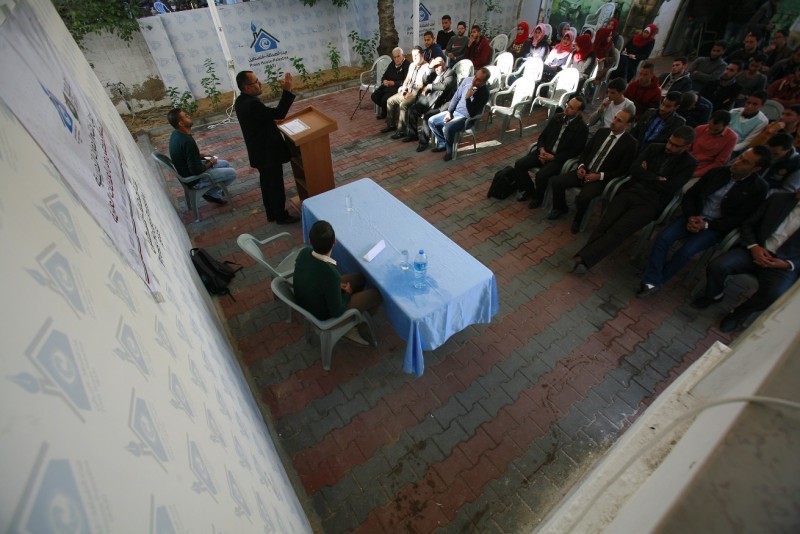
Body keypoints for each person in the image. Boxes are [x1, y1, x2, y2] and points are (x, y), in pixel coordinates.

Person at [637, 146, 770, 297]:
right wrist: (691, 216)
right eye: (740, 157)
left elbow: (739, 218)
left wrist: (707, 224)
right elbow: (691, 195)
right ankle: (653, 280)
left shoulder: (758, 188)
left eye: (745, 162)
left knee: (686, 251)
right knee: (663, 238)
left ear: (756, 169)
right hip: (694, 216)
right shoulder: (718, 172)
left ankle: (655, 282)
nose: (737, 162)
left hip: (715, 228)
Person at [571, 126, 698, 274]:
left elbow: (670, 187)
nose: (669, 147)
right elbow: (634, 169)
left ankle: (584, 258)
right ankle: (584, 258)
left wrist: (646, 173)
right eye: (670, 142)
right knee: (605, 223)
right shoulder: (655, 148)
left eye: (676, 145)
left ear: (687, 146)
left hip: (651, 202)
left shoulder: (689, 163)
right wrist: (657, 178)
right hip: (632, 191)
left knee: (619, 230)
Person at [692, 188, 800, 332]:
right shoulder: (778, 198)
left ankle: (737, 315)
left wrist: (787, 264)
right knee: (717, 266)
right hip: (755, 250)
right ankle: (714, 295)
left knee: (775, 294)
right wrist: (754, 246)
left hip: (782, 265)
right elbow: (749, 223)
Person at [293, 220, 382, 344]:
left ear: (310, 241)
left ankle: (355, 315)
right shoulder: (331, 274)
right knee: (376, 295)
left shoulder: (304, 253)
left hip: (308, 301)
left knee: (360, 278)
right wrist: (348, 293)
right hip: (322, 314)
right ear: (334, 242)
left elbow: (314, 277)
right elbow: (337, 311)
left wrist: (334, 287)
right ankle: (353, 327)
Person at [550, 109, 638, 233]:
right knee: (556, 181)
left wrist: (599, 176)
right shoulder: (602, 132)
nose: (614, 121)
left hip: (600, 179)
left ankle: (578, 220)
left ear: (627, 125)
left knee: (584, 197)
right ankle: (560, 208)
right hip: (585, 170)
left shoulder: (630, 144)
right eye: (615, 117)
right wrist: (581, 166)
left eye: (619, 121)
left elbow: (622, 170)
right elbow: (585, 152)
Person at [234, 70, 297, 224]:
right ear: (247, 88)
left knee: (267, 184)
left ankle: (272, 213)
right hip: (267, 153)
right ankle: (280, 216)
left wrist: (269, 121)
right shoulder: (252, 104)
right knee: (275, 185)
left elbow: (259, 119)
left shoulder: (241, 101)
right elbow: (279, 113)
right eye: (256, 82)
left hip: (259, 152)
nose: (260, 83)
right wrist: (287, 91)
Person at [514, 97, 589, 206]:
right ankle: (529, 190)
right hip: (544, 152)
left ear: (578, 112)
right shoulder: (557, 118)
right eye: (568, 104)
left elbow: (574, 152)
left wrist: (553, 157)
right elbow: (542, 137)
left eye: (571, 108)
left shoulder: (582, 129)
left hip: (558, 159)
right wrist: (542, 150)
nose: (567, 108)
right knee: (519, 164)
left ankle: (539, 198)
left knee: (541, 175)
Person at [167, 108, 236, 206]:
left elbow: (187, 155)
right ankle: (210, 193)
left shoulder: (176, 134)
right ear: (181, 123)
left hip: (189, 171)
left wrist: (202, 156)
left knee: (225, 163)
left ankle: (214, 192)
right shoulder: (187, 141)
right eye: (186, 116)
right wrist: (211, 162)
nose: (189, 116)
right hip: (194, 180)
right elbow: (196, 170)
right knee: (232, 173)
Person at [428, 67, 491, 161]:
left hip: (466, 118)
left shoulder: (484, 93)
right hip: (455, 112)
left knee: (447, 128)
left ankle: (449, 151)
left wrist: (468, 98)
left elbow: (472, 113)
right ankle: (443, 143)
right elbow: (456, 97)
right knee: (431, 121)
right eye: (475, 76)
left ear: (484, 82)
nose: (474, 80)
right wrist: (449, 112)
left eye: (478, 80)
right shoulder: (467, 81)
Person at [406, 57, 456, 148]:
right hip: (430, 101)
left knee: (427, 116)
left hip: (442, 104)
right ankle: (412, 134)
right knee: (412, 109)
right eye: (434, 66)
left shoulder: (451, 73)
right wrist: (430, 67)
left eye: (438, 66)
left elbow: (444, 86)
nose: (436, 68)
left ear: (444, 64)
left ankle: (423, 143)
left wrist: (429, 86)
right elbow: (425, 80)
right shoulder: (434, 72)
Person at [382, 46, 428, 138]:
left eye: (416, 55)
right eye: (413, 56)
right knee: (390, 101)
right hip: (408, 91)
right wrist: (403, 89)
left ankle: (401, 131)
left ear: (422, 55)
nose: (414, 58)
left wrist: (411, 93)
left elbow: (421, 85)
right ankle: (391, 125)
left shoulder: (426, 67)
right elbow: (407, 79)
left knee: (403, 105)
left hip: (418, 94)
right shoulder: (412, 65)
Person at [691, 110, 738, 177]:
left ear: (726, 126)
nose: (711, 131)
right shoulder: (699, 129)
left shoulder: (731, 138)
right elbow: (688, 148)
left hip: (705, 170)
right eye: (710, 127)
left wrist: (697, 173)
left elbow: (719, 162)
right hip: (689, 162)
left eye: (716, 130)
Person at [371, 47, 410, 120]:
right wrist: (384, 80)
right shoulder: (392, 63)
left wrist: (394, 83)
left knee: (384, 99)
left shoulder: (407, 65)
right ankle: (387, 110)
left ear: (403, 55)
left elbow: (406, 81)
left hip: (397, 87)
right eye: (394, 57)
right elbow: (384, 76)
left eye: (398, 56)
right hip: (387, 86)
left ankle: (386, 113)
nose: (396, 59)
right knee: (374, 96)